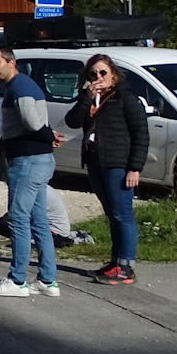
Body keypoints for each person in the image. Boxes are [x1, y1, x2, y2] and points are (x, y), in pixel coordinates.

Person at [0, 45, 60, 298]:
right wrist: (48, 136)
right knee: (39, 221)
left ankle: (17, 281)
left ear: (10, 62)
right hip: (38, 160)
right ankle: (47, 280)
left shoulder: (18, 86)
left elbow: (32, 122)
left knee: (18, 218)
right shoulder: (22, 85)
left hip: (27, 161)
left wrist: (48, 135)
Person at [67, 54, 147, 285]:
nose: (98, 77)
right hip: (95, 161)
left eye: (102, 73)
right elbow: (72, 121)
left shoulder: (125, 98)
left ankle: (127, 266)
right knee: (112, 213)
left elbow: (141, 133)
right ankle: (115, 261)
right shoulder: (91, 97)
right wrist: (87, 98)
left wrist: (135, 168)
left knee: (123, 213)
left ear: (113, 73)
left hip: (118, 163)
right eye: (93, 74)